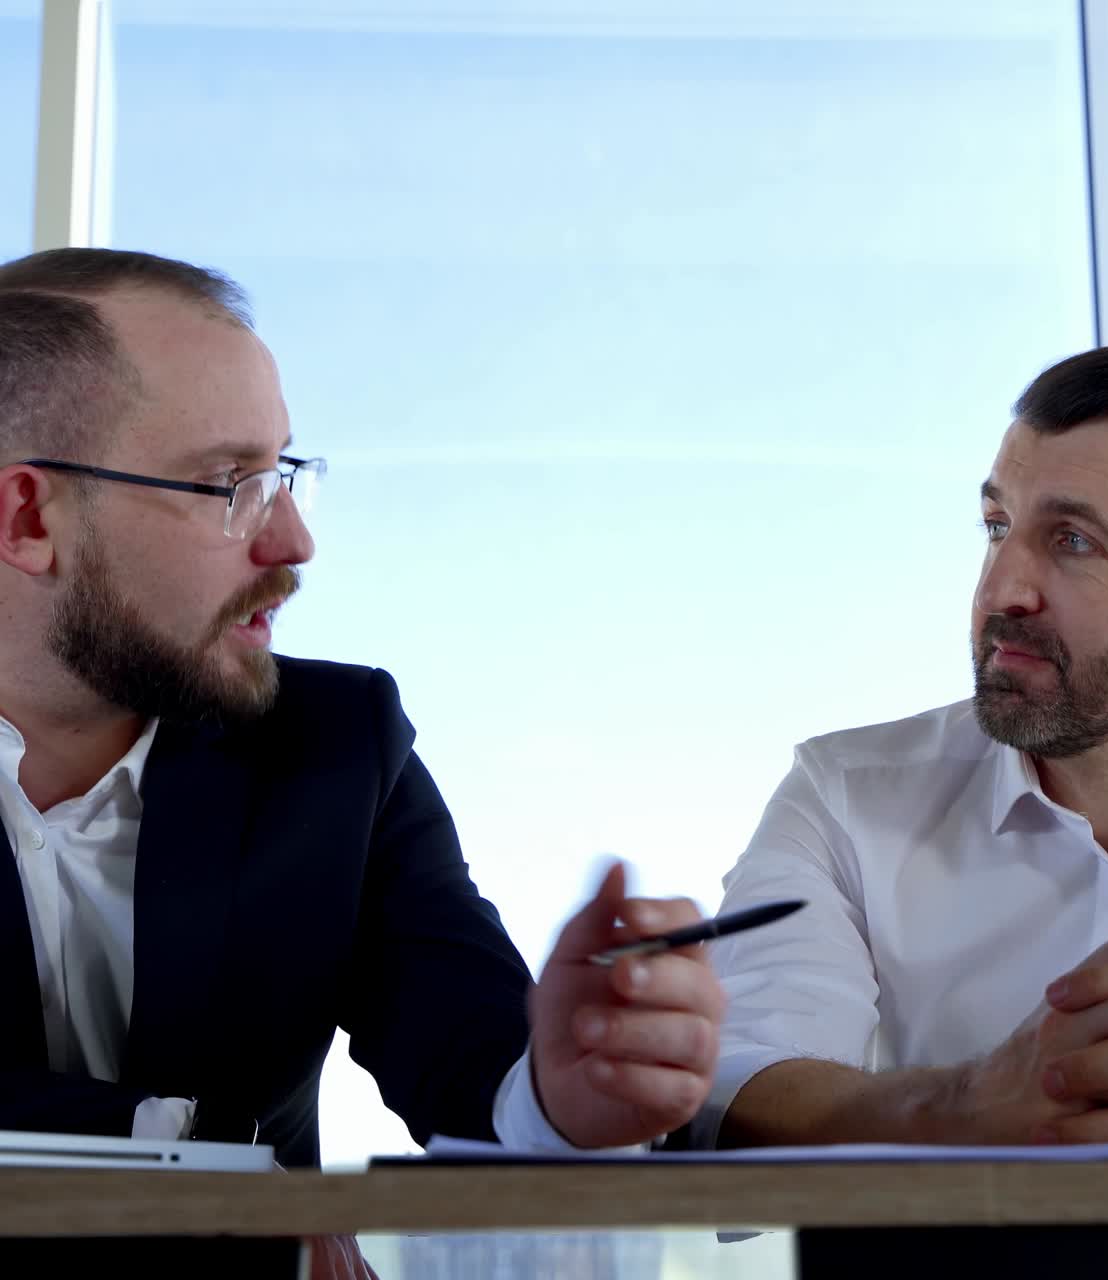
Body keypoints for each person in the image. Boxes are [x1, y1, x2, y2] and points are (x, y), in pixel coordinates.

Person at [0, 247, 724, 1168]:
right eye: (231, 485)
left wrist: (564, 1092)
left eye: (284, 473)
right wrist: (196, 1151)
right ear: (29, 519)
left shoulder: (336, 746)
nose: (294, 541)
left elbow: (473, 1057)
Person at [692, 343, 1108, 1150]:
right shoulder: (846, 800)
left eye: (1073, 540)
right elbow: (728, 1093)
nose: (1001, 590)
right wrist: (962, 1104)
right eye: (997, 525)